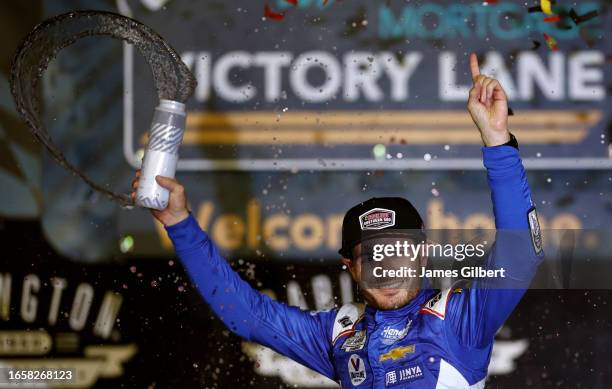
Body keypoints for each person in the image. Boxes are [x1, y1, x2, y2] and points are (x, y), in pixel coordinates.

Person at [131, 54, 543, 388]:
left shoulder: (459, 321)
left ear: (421, 254)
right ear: (350, 267)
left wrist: (498, 142)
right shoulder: (339, 335)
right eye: (374, 258)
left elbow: (521, 251)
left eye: (398, 254)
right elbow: (247, 315)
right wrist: (180, 222)